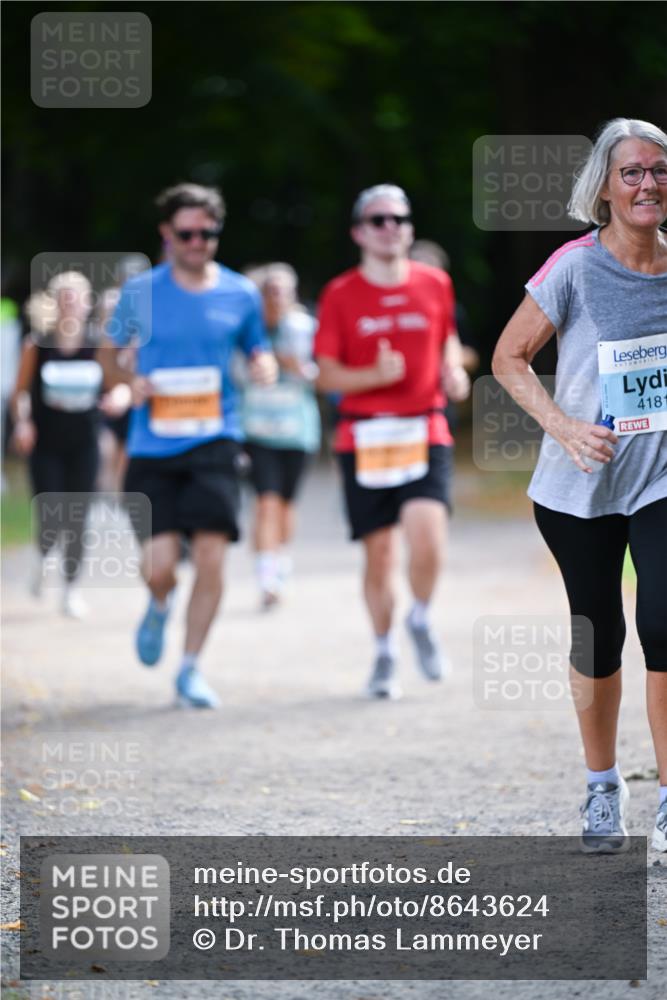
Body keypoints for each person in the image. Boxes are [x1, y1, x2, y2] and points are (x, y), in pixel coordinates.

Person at [492, 118, 667, 853]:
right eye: (630, 172)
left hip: (660, 474)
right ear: (602, 186)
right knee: (598, 635)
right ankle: (601, 786)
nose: (647, 185)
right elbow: (508, 358)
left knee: (663, 623)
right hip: (580, 485)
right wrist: (564, 426)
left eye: (658, 171)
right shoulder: (572, 265)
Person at [99, 183, 276, 709]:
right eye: (187, 233)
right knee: (158, 568)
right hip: (152, 446)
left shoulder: (241, 293)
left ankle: (191, 667)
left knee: (211, 558)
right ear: (166, 234)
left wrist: (263, 365)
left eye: (208, 233)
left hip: (216, 441)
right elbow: (109, 354)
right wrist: (129, 382)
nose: (198, 241)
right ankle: (158, 605)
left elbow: (257, 349)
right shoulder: (140, 292)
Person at [315, 183, 470, 699]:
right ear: (359, 231)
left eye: (400, 219)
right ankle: (384, 651)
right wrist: (373, 376)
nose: (391, 229)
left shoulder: (435, 283)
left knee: (427, 536)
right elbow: (326, 376)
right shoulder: (340, 294)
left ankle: (420, 618)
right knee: (379, 555)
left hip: (425, 425)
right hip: (365, 435)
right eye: (379, 220)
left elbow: (446, 336)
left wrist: (453, 371)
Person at [10, 272, 110, 617]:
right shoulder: (36, 345)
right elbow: (20, 393)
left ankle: (70, 591)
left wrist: (118, 399)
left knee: (78, 519)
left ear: (87, 303)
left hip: (84, 444)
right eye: (64, 297)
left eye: (76, 297)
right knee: (51, 514)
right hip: (46, 445)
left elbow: (114, 387)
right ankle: (42, 561)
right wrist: (23, 423)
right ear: (54, 304)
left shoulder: (98, 345)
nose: (70, 303)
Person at [242, 263, 320, 608]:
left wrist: (292, 365)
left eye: (282, 292)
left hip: (297, 431)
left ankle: (281, 559)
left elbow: (321, 375)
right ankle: (266, 577)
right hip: (257, 430)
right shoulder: (248, 330)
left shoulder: (305, 329)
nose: (276, 298)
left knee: (287, 505)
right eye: (269, 291)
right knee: (265, 503)